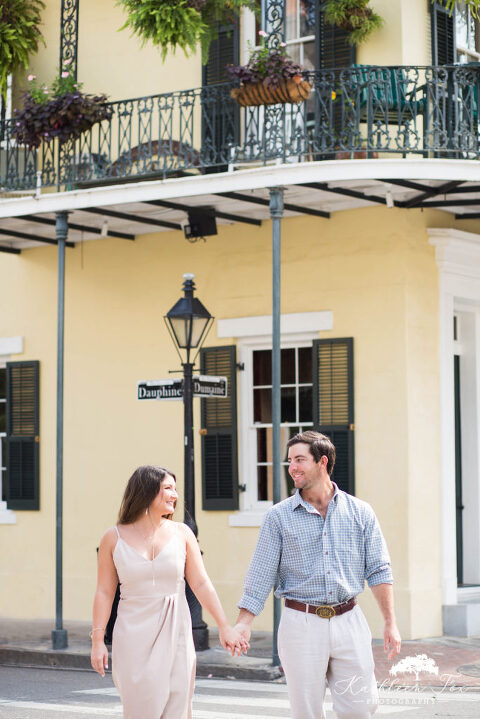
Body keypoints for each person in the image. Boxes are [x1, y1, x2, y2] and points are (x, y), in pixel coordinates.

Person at [234, 431, 402, 719]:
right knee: (306, 712)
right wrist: (243, 623)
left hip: (349, 620)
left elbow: (378, 568)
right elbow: (261, 572)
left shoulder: (360, 512)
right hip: (301, 623)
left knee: (361, 706)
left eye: (300, 459)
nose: (292, 468)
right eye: (290, 461)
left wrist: (390, 622)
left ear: (322, 462)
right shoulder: (278, 517)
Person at [91, 465, 248, 719]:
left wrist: (224, 626)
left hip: (177, 630)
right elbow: (104, 592)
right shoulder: (113, 537)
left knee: (177, 707)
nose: (174, 495)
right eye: (168, 488)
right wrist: (97, 642)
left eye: (175, 489)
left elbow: (200, 583)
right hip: (132, 636)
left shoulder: (182, 533)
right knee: (140, 709)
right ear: (146, 492)